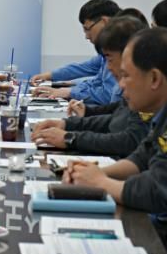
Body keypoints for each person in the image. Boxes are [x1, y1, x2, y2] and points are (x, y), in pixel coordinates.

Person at [64, 27, 167, 215]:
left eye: (126, 76)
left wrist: (100, 183)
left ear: (154, 78)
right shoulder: (164, 112)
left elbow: (158, 190)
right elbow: (142, 157)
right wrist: (96, 173)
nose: (121, 85)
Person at [30, 15, 149, 157]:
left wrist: (71, 138)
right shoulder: (136, 91)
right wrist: (68, 124)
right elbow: (116, 117)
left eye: (109, 59)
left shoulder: (147, 95)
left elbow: (129, 141)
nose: (108, 67)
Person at [31, 0, 121, 104]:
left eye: (87, 29)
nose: (87, 36)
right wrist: (54, 79)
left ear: (104, 21)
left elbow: (109, 95)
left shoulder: (120, 52)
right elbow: (88, 72)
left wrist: (70, 92)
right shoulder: (106, 54)